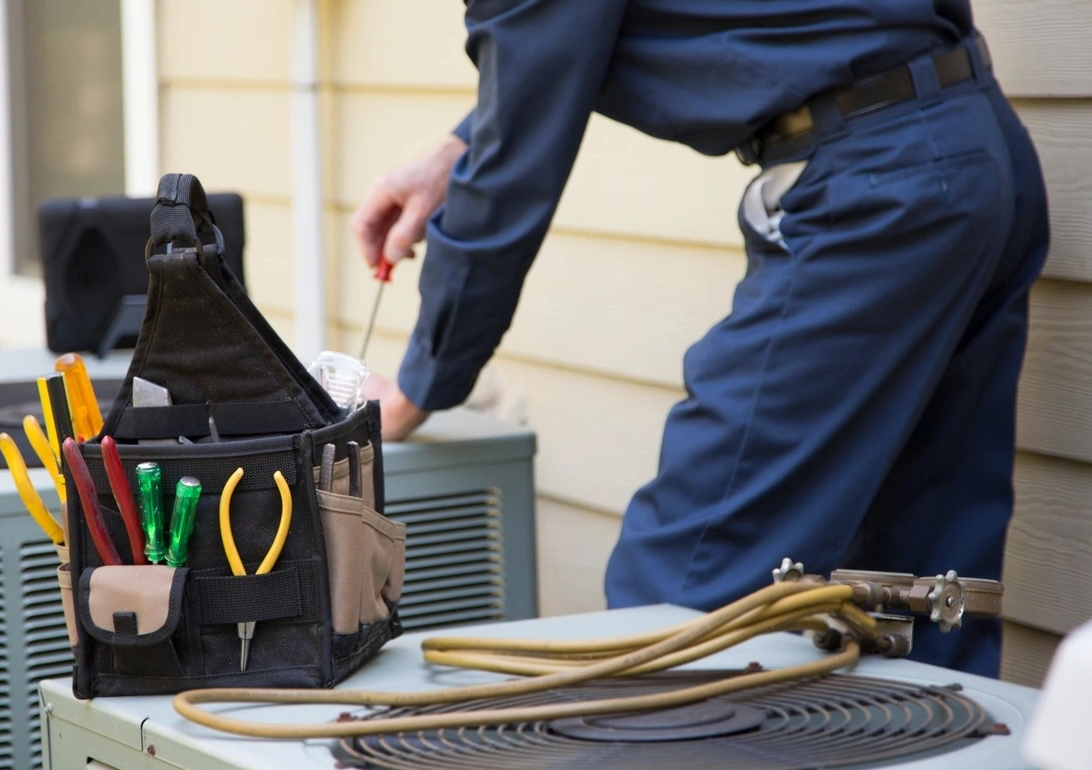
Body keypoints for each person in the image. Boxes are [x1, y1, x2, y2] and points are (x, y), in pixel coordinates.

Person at [350, 1, 1048, 678]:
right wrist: (459, 147)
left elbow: (512, 169)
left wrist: (419, 386)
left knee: (680, 600)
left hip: (881, 189)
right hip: (969, 148)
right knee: (919, 591)